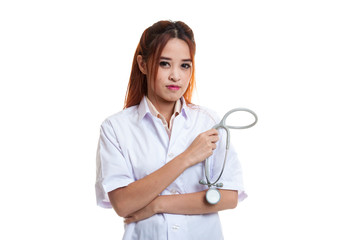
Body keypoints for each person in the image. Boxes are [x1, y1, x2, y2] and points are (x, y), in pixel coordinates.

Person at [95, 20, 247, 240]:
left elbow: (229, 196)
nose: (176, 76)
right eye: (165, 63)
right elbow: (123, 203)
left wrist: (156, 204)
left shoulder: (209, 121)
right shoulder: (116, 128)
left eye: (185, 65)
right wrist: (187, 157)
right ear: (143, 64)